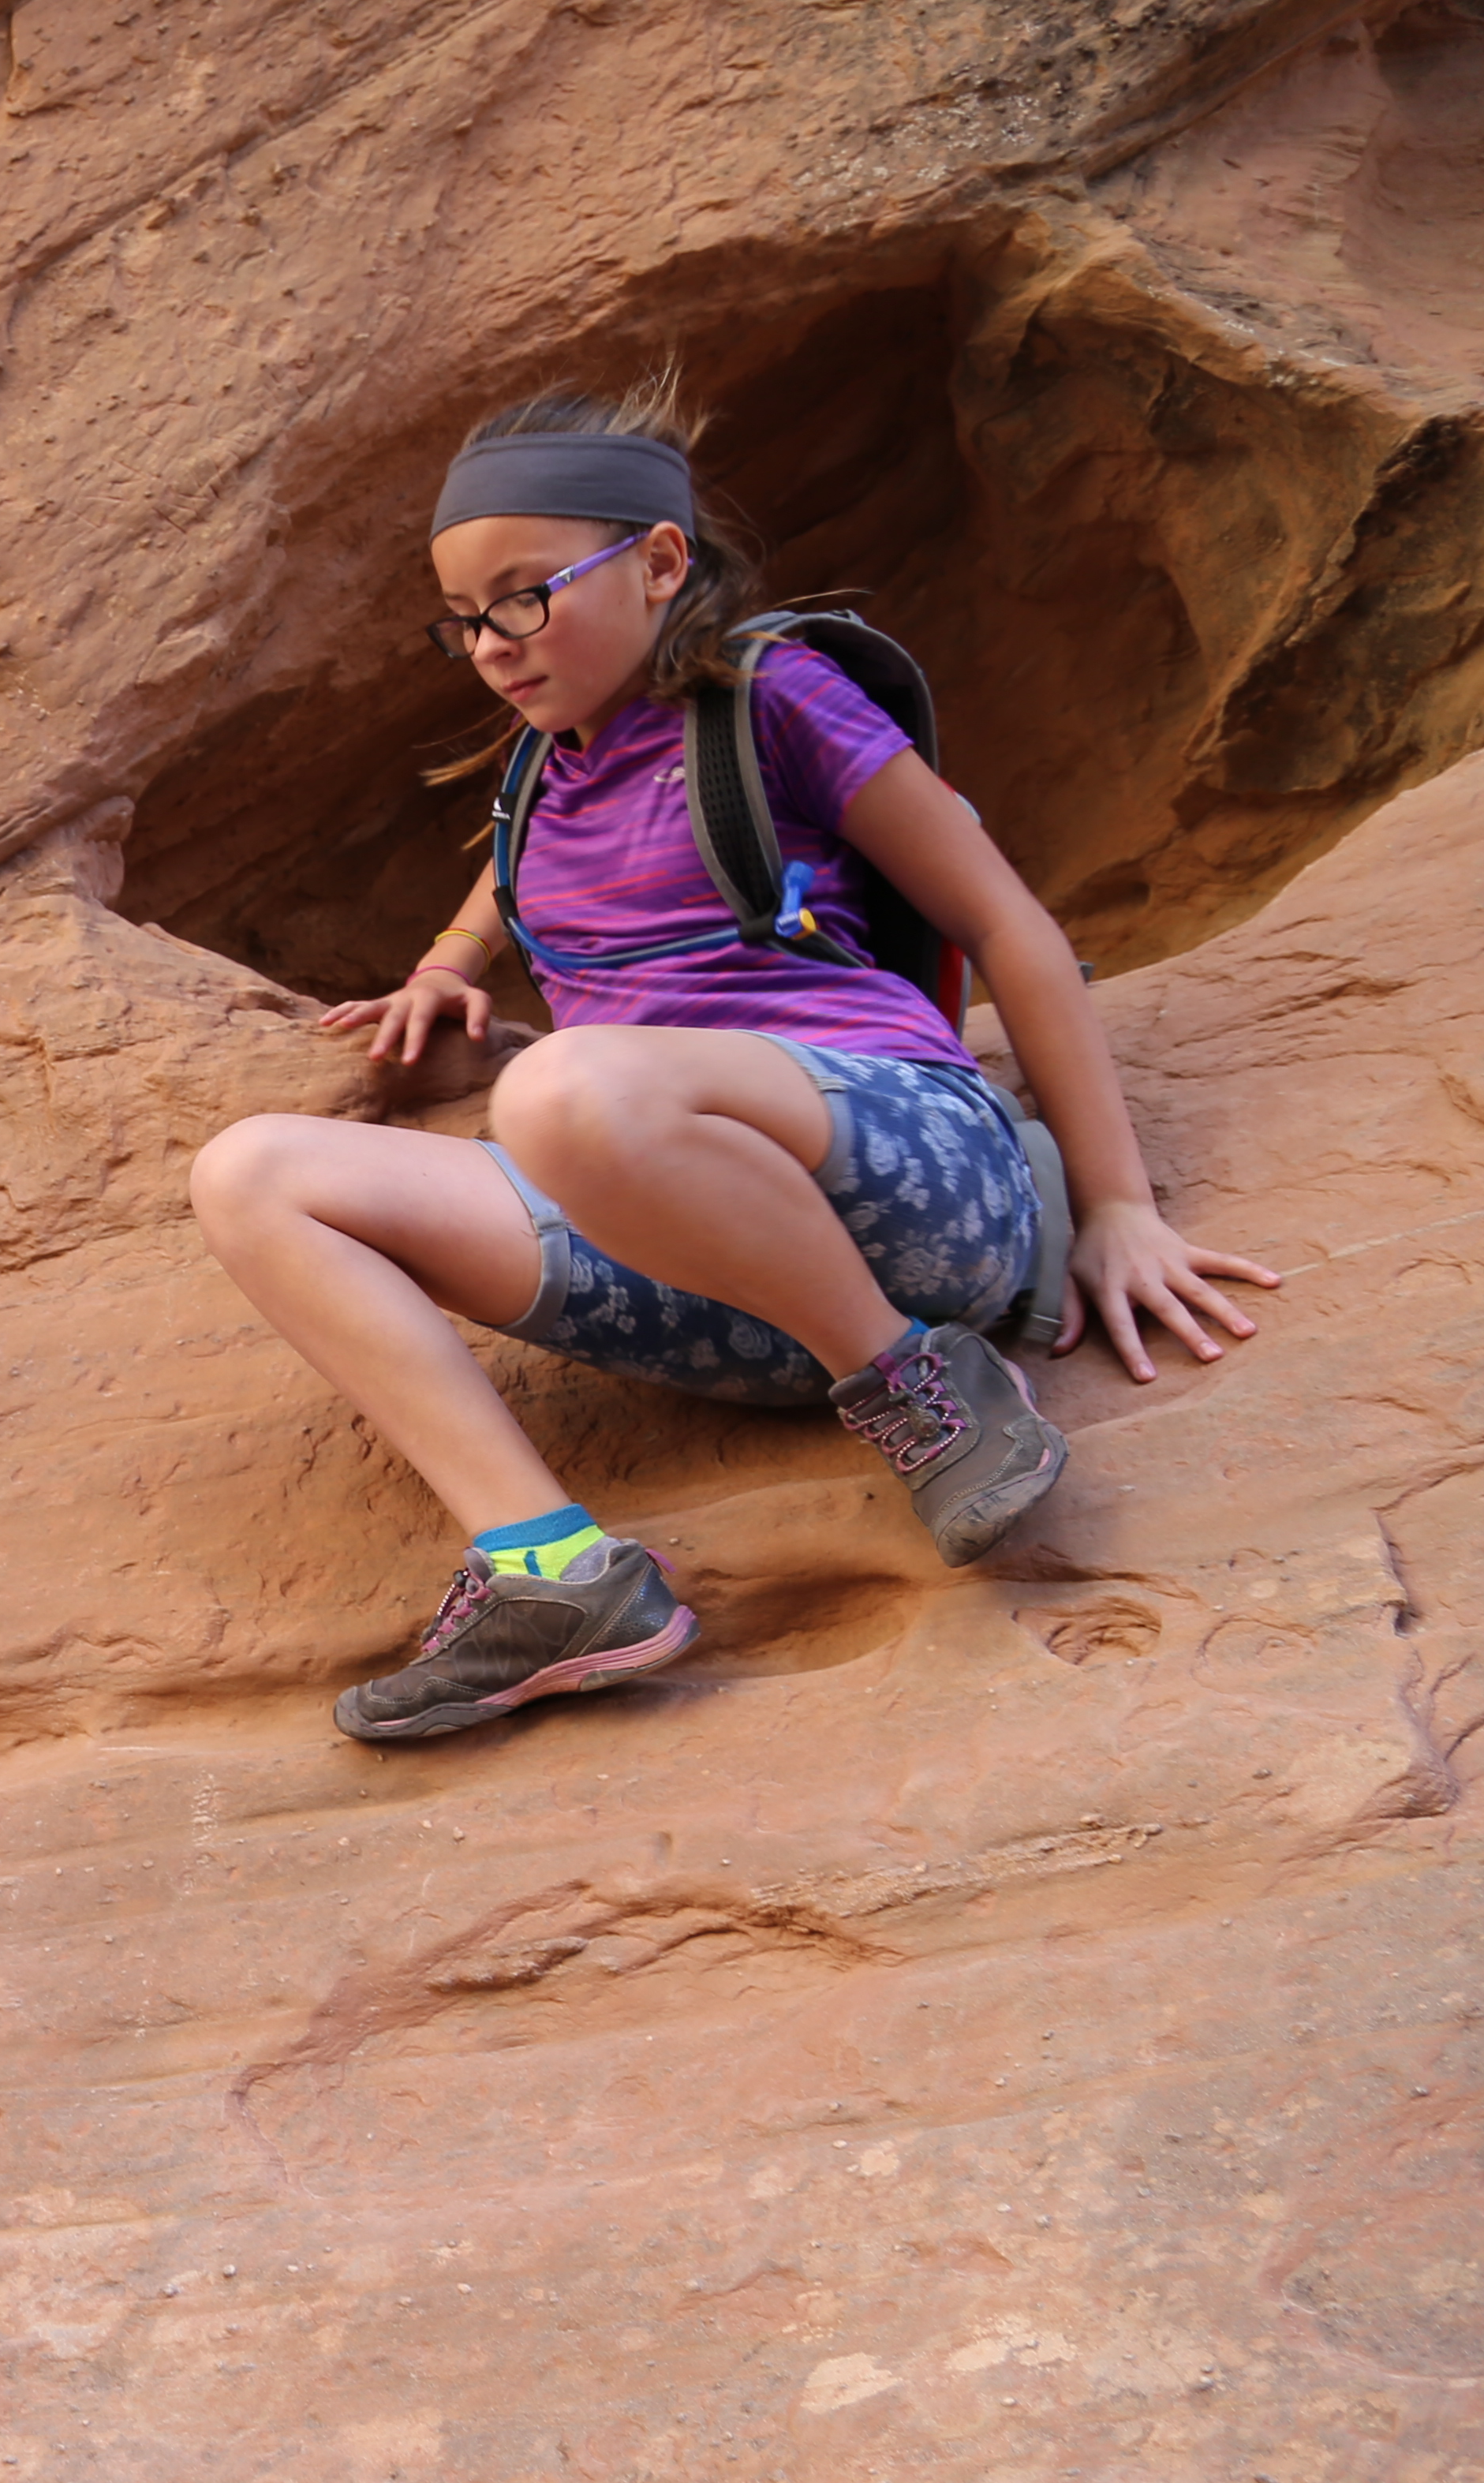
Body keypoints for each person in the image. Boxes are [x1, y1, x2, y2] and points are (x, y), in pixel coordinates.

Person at [186, 380, 1278, 1744]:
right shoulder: (536, 778)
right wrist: (447, 980)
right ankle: (551, 1574)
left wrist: (1120, 1206)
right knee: (252, 1174)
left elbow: (1005, 922)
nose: (491, 643)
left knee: (560, 1092)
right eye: (465, 617)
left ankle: (925, 1393)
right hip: (705, 1277)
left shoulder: (769, 695)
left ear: (658, 562)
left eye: (525, 595)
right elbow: (514, 908)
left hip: (909, 1187)